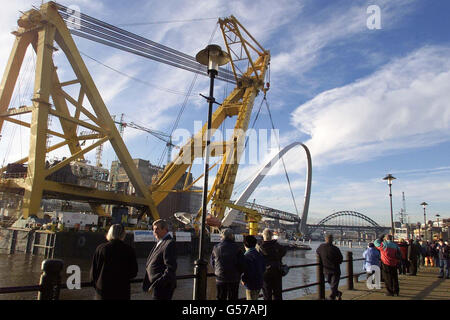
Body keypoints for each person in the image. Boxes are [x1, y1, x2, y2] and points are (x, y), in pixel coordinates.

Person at [90, 224, 138, 300]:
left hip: (103, 290)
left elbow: (94, 272)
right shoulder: (129, 250)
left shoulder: (101, 248)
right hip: (122, 291)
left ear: (110, 233)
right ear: (123, 234)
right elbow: (133, 272)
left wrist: (97, 286)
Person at [142, 219, 177, 300]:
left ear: (165, 229)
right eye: (153, 229)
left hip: (163, 287)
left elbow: (171, 267)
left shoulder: (169, 243)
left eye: (157, 229)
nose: (154, 232)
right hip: (157, 286)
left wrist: (159, 283)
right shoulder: (161, 242)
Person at [210, 228, 245, 300]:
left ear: (222, 236)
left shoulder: (216, 247)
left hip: (220, 277)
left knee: (220, 297)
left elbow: (212, 262)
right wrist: (239, 273)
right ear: (232, 236)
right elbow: (242, 263)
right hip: (234, 278)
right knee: (233, 297)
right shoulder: (237, 248)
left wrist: (218, 270)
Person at [258, 228, 287, 300]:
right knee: (278, 294)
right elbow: (284, 251)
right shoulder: (276, 246)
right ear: (271, 236)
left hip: (265, 273)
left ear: (263, 236)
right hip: (277, 271)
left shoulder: (260, 247)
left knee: (267, 295)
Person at [316, 234, 343, 300]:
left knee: (333, 285)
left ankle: (331, 297)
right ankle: (337, 294)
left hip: (328, 270)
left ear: (325, 239)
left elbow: (317, 252)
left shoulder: (321, 247)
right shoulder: (335, 249)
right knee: (333, 285)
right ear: (332, 240)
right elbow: (340, 259)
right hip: (333, 269)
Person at [241, 235, 265, 300]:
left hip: (251, 284)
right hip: (259, 283)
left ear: (245, 245)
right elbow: (263, 268)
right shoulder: (259, 254)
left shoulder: (246, 256)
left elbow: (247, 270)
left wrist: (243, 279)